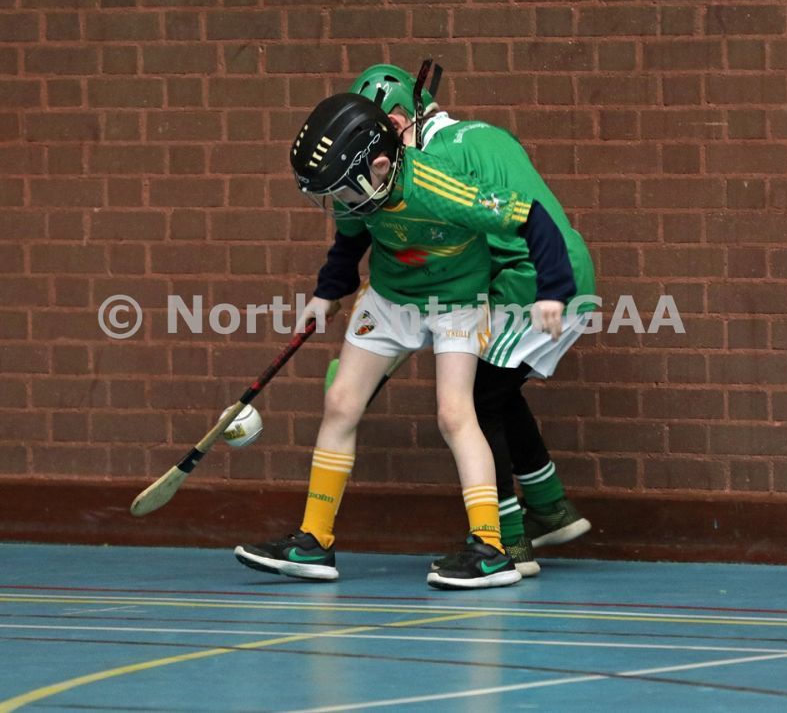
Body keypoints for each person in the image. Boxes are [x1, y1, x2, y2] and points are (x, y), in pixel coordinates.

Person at [235, 89, 576, 589]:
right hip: (390, 298)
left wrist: (553, 291)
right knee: (341, 403)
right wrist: (327, 293)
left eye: (341, 192)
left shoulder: (438, 187)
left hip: (456, 300)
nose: (338, 203)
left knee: (455, 414)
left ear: (378, 166)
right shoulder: (360, 190)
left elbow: (530, 216)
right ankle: (314, 541)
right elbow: (351, 238)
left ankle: (490, 550)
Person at [348, 64, 596, 576]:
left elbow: (455, 256)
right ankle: (549, 506)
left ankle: (505, 543)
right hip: (563, 270)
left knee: (474, 403)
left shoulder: (431, 162)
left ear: (397, 122)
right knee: (497, 390)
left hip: (531, 282)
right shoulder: (483, 133)